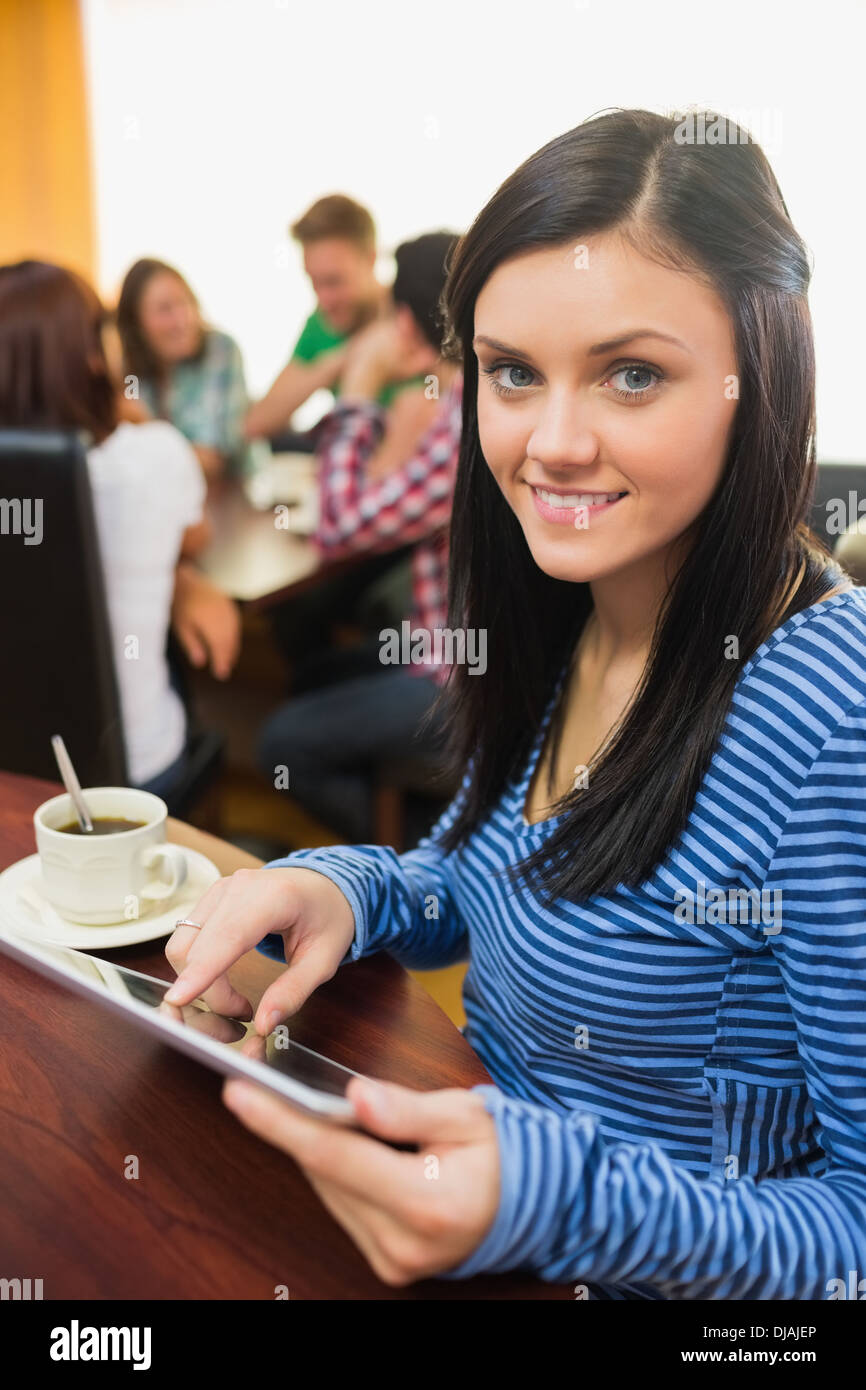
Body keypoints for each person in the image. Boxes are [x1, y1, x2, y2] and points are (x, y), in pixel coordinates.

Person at [163, 109, 866, 1298]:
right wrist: (349, 885)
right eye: (510, 373)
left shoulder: (828, 717)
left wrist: (564, 1202)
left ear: (762, 376)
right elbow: (482, 872)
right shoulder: (573, 601)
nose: (550, 444)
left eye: (629, 374)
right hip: (470, 1207)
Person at [0, 260, 241, 795]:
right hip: (133, 779)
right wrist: (179, 577)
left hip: (12, 788)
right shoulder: (154, 456)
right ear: (93, 354)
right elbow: (193, 536)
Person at [257, 232, 463, 845]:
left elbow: (339, 531)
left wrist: (359, 387)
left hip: (463, 677)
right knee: (312, 674)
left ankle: (432, 857)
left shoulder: (461, 420)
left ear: (405, 321)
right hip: (445, 640)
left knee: (279, 744)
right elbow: (377, 504)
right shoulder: (464, 399)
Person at [244, 194, 426, 440]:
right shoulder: (321, 324)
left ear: (370, 259)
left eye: (334, 281)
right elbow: (257, 424)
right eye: (314, 282)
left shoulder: (417, 314)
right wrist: (345, 359)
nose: (323, 299)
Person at [116, 258, 255, 480]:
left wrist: (143, 424)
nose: (182, 320)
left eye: (186, 303)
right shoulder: (126, 367)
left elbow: (211, 461)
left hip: (230, 500)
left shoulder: (221, 350)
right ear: (135, 324)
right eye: (164, 309)